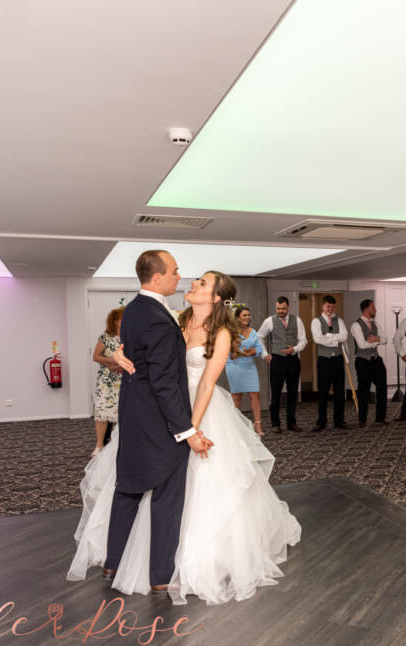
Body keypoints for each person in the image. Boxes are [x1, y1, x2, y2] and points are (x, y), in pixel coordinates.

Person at [69, 268, 301, 605]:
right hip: (160, 408)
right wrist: (120, 355)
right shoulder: (175, 318)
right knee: (147, 479)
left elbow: (207, 382)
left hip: (198, 409)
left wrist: (189, 428)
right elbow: (144, 353)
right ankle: (134, 556)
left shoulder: (221, 332)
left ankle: (187, 559)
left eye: (202, 283)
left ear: (217, 297)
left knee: (198, 484)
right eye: (194, 280)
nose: (192, 283)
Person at [95, 250, 212, 595]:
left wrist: (120, 355)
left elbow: (138, 357)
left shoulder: (134, 309)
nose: (180, 276)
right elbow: (164, 383)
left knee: (127, 488)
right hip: (158, 421)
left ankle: (112, 561)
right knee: (167, 496)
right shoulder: (159, 318)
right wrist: (187, 431)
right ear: (157, 278)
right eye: (175, 271)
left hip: (133, 414)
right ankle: (160, 576)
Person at [258, 296, 307, 434]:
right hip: (277, 361)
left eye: (283, 308)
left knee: (292, 393)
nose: (281, 311)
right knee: (276, 393)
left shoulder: (297, 320)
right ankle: (275, 423)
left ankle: (291, 423)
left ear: (288, 307)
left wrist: (295, 349)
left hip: (293, 360)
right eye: (278, 308)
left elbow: (303, 340)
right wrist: (265, 353)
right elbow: (259, 336)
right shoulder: (269, 321)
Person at [310, 295, 352, 431]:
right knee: (323, 392)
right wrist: (335, 339)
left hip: (338, 360)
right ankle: (321, 422)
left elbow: (344, 336)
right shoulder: (316, 321)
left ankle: (339, 421)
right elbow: (317, 339)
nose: (331, 309)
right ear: (323, 306)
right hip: (324, 361)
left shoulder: (339, 319)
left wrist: (327, 335)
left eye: (333, 307)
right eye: (328, 306)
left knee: (339, 392)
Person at [225, 305, 267, 436]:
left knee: (255, 395)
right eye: (244, 315)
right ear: (237, 317)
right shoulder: (230, 331)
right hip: (234, 366)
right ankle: (237, 425)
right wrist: (238, 351)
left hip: (249, 367)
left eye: (249, 315)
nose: (247, 318)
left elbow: (259, 349)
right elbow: (227, 349)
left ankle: (258, 425)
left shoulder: (253, 331)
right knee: (236, 397)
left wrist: (252, 351)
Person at [91, 306, 124, 456]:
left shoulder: (129, 336)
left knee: (121, 413)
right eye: (121, 318)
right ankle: (99, 445)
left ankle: (118, 443)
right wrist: (111, 361)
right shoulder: (105, 337)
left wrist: (121, 365)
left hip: (123, 379)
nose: (124, 321)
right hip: (106, 382)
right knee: (102, 414)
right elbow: (96, 357)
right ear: (114, 321)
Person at [351, 298, 388, 426]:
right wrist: (378, 340)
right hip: (363, 361)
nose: (375, 310)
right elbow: (362, 345)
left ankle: (380, 418)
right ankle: (362, 419)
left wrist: (376, 339)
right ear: (366, 309)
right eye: (373, 308)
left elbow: (386, 339)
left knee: (382, 388)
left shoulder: (376, 323)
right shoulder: (356, 325)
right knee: (364, 391)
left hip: (376, 360)